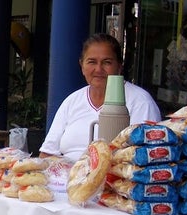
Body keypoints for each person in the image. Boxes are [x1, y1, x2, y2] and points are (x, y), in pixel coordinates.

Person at [38, 33, 161, 162]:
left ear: (119, 66)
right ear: (82, 66)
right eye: (91, 62)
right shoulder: (72, 101)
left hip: (116, 179)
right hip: (68, 178)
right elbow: (46, 154)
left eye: (107, 62)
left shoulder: (141, 101)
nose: (98, 69)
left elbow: (147, 157)